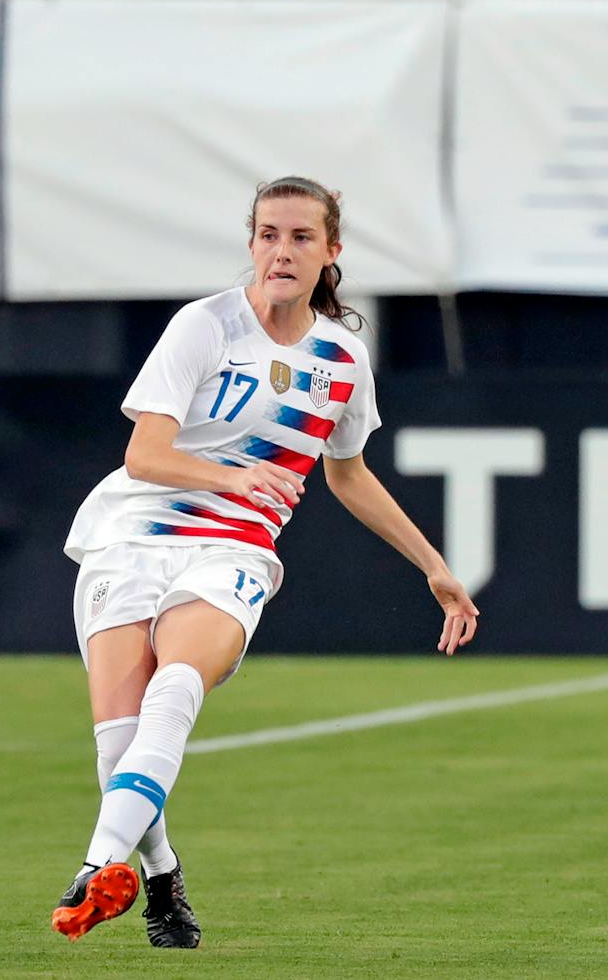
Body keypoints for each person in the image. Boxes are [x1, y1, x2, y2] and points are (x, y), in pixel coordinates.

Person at [50, 176, 480, 947]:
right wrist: (232, 474)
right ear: (251, 244)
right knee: (118, 740)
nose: (282, 250)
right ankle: (161, 879)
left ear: (331, 252)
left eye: (300, 237)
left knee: (177, 683)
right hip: (131, 532)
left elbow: (347, 473)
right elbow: (144, 454)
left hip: (234, 546)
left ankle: (93, 868)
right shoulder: (204, 325)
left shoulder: (343, 359)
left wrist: (432, 565)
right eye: (269, 235)